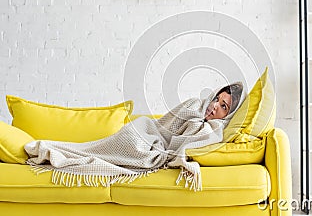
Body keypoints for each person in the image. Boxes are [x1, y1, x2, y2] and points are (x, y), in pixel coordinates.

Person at [25, 82, 245, 191]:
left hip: (154, 150)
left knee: (100, 157)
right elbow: (163, 125)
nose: (215, 106)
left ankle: (57, 152)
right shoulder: (194, 105)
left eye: (223, 106)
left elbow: (180, 150)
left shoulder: (211, 132)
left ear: (229, 115)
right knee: (92, 149)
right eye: (217, 99)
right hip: (145, 132)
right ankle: (59, 150)